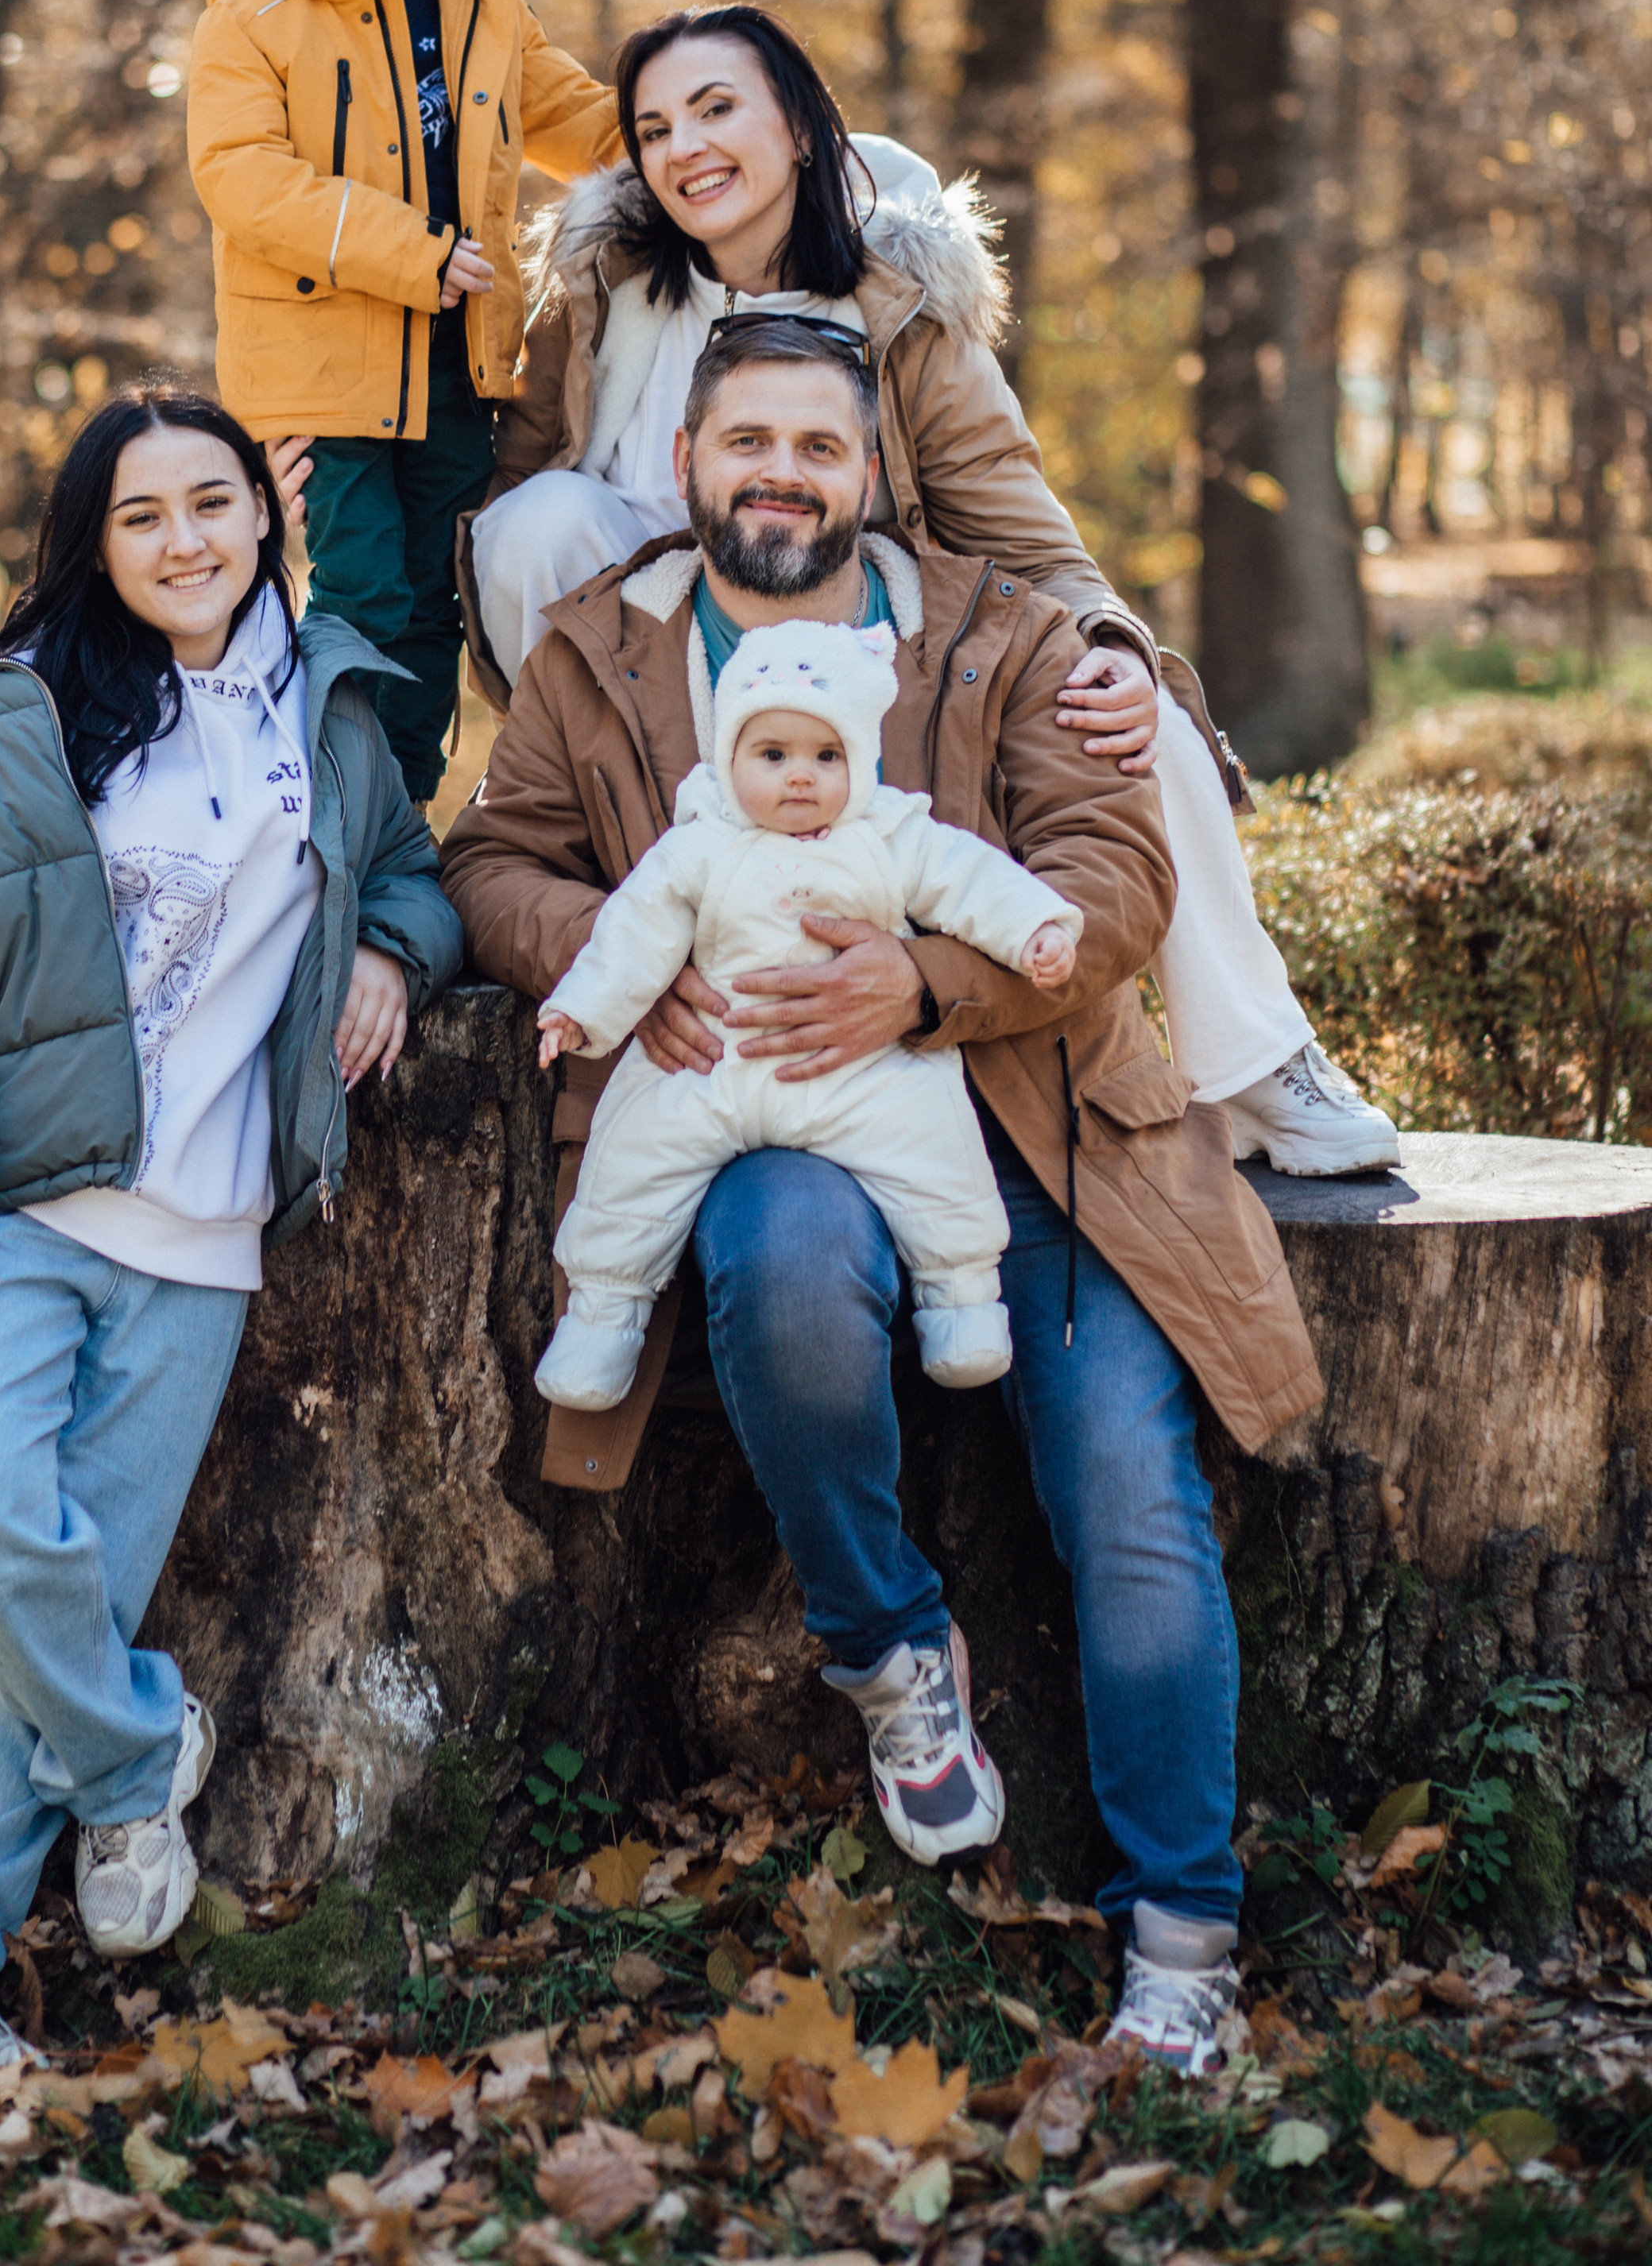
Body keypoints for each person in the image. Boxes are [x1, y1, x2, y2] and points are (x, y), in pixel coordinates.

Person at [441, 317, 1321, 2070]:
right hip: (783, 1120)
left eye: (817, 448)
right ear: (686, 459)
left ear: (870, 471)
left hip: (1047, 1128)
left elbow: (1115, 869)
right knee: (772, 1262)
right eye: (744, 442)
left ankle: (1180, 1933)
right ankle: (888, 1645)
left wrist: (928, 978)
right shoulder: (600, 642)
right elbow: (492, 851)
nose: (778, 474)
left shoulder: (1000, 631)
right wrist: (625, 966)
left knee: (1125, 1495)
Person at [461, 2, 1399, 1177]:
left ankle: (1260, 1066)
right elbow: (501, 488)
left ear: (799, 128)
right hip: (662, 678)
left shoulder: (898, 301)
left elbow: (1018, 521)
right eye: (652, 129)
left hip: (873, 669)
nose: (684, 147)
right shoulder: (606, 290)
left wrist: (1109, 640)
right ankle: (635, 854)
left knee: (1131, 713)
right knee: (532, 520)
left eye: (716, 110)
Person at [0, 389, 462, 2071]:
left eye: (212, 504)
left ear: (265, 516)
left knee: (32, 1613)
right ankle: (127, 1756)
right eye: (141, 515)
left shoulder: (330, 716)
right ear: (92, 543)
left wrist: (389, 945)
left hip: (198, 1249)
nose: (183, 542)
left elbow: (410, 876)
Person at [186, 0, 622, 808]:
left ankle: (403, 828)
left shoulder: (489, 5)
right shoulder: (257, 11)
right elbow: (241, 175)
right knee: (363, 594)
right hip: (322, 368)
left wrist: (723, 132)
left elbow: (577, 122)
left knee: (437, 601)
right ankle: (338, 816)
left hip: (457, 364)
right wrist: (411, 255)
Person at [534, 615, 1081, 1414]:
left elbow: (971, 880)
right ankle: (601, 1317)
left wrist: (1035, 929)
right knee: (631, 1161)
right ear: (728, 760)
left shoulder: (890, 835)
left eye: (826, 756)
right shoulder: (698, 845)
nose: (800, 777)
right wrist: (581, 1011)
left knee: (936, 1149)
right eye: (773, 755)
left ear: (859, 760)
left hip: (861, 1071)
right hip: (712, 1059)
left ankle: (961, 1301)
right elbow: (633, 934)